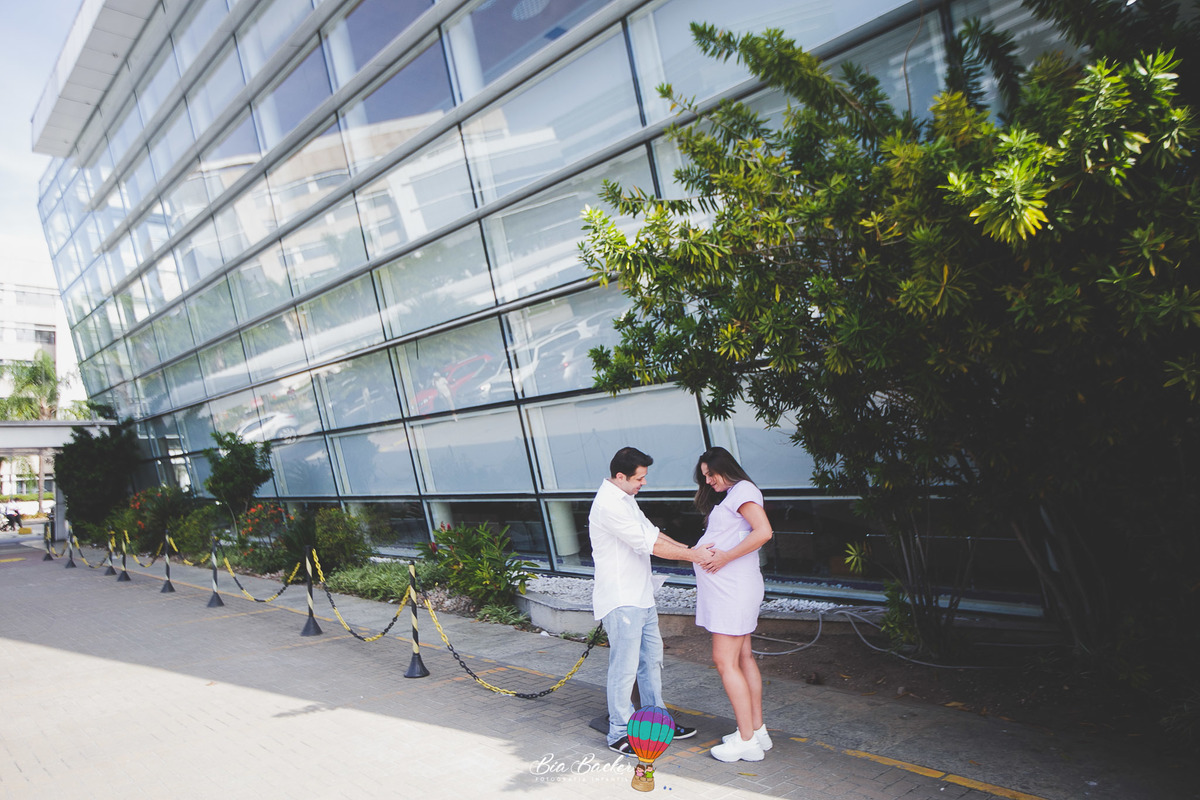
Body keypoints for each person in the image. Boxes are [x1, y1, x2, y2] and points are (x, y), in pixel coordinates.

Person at [589, 446, 709, 755]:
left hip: (641, 595)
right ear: (620, 476)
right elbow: (651, 545)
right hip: (621, 599)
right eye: (640, 478)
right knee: (625, 668)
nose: (643, 483)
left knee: (651, 662)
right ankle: (618, 732)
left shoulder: (626, 499)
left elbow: (654, 533)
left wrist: (691, 549)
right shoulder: (608, 505)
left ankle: (656, 720)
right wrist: (694, 556)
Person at [692, 447, 774, 763]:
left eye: (710, 474)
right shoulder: (735, 493)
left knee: (725, 661)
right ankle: (756, 730)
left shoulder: (743, 490)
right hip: (732, 590)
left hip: (733, 591)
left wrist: (725, 556)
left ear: (724, 467)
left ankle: (745, 740)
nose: (709, 481)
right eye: (705, 477)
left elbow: (764, 531)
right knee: (743, 657)